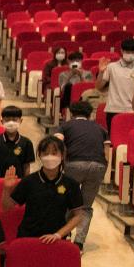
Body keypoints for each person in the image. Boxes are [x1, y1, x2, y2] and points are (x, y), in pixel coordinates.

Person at [3, 136, 84, 242]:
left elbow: (78, 216)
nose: (50, 157)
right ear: (40, 156)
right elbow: (6, 208)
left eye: (54, 153)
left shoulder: (71, 184)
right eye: (45, 153)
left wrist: (58, 235)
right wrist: (6, 189)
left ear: (62, 155)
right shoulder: (28, 181)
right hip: (28, 237)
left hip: (56, 239)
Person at [56, 100, 110, 248]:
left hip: (74, 164)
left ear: (71, 113)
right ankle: (79, 243)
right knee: (85, 206)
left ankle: (64, 235)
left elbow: (57, 144)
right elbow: (107, 153)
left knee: (67, 202)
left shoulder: (65, 126)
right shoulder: (101, 128)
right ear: (90, 114)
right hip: (98, 166)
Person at [95, 38, 134, 130]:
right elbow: (99, 87)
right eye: (127, 52)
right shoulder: (111, 67)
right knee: (114, 140)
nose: (130, 54)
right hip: (114, 110)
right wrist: (101, 72)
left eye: (133, 52)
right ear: (121, 51)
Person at [0, 105, 35, 179]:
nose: (11, 122)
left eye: (14, 120)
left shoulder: (27, 143)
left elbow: (26, 167)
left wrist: (26, 184)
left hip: (18, 184)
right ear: (2, 121)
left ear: (20, 121)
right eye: (7, 120)